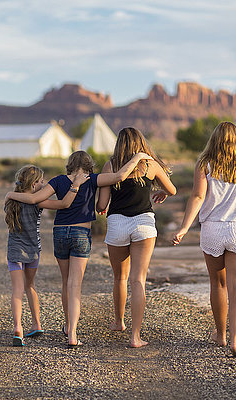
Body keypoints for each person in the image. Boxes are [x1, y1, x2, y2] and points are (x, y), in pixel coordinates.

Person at [6, 150, 152, 347]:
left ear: (70, 164)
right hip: (81, 234)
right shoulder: (92, 179)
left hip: (59, 234)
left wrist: (11, 194)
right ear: (89, 164)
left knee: (66, 282)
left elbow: (34, 199)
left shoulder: (57, 181)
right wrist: (137, 158)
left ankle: (67, 326)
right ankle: (73, 334)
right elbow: (119, 176)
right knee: (76, 285)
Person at [171, 121, 236, 358]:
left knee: (218, 283)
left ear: (214, 140)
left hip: (212, 229)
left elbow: (198, 195)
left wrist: (184, 227)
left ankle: (221, 335)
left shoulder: (205, 164)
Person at [96, 127, 177, 348]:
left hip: (117, 224)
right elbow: (173, 189)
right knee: (138, 280)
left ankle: (119, 322)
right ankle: (136, 337)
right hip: (144, 225)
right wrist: (162, 192)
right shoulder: (150, 164)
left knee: (120, 278)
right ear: (141, 143)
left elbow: (102, 205)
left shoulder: (111, 166)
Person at [4, 165, 88, 347]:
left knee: (17, 290)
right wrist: (76, 186)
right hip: (33, 250)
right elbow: (64, 203)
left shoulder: (11, 201)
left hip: (14, 251)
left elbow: (21, 198)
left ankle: (18, 328)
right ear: (34, 185)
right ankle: (36, 323)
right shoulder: (38, 202)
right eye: (42, 182)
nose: (44, 184)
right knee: (30, 286)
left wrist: (11, 193)